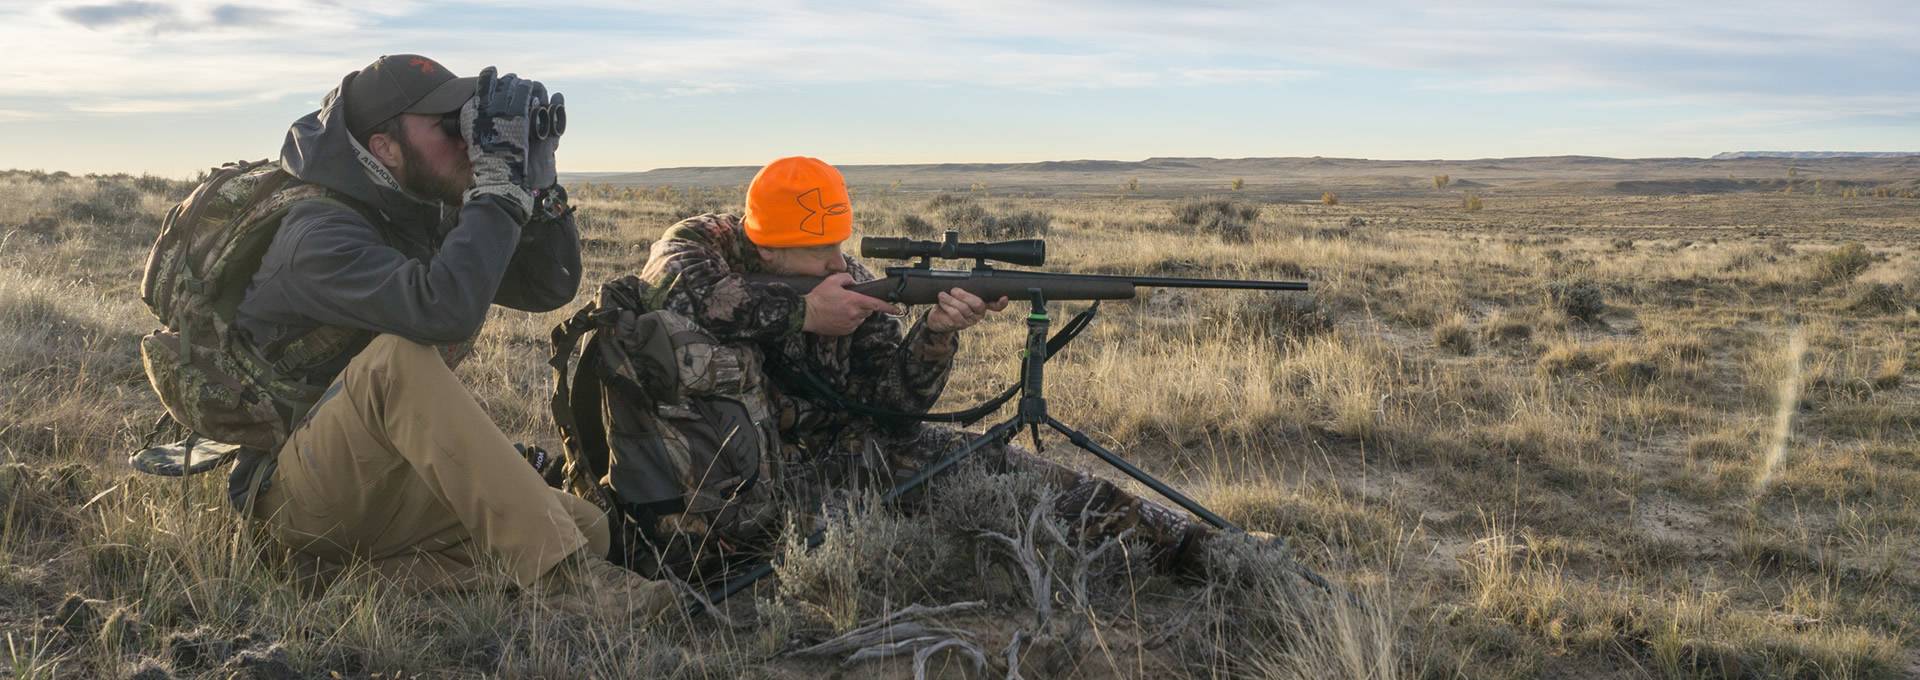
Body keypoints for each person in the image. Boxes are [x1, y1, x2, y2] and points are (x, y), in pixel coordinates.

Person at [230, 54, 673, 615]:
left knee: (586, 527)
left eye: (470, 122)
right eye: (448, 127)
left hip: (382, 480)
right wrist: (494, 193)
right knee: (397, 363)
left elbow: (548, 285)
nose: (469, 141)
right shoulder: (317, 237)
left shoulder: (414, 213)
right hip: (294, 496)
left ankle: (345, 581)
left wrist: (538, 183)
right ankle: (565, 581)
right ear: (385, 147)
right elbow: (446, 310)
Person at [632, 156, 1220, 576]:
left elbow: (894, 415)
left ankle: (1195, 548)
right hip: (740, 482)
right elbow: (676, 292)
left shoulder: (854, 285)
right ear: (767, 244)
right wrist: (806, 312)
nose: (840, 259)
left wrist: (934, 335)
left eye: (841, 242)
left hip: (850, 454)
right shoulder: (700, 244)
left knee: (1012, 476)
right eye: (820, 249)